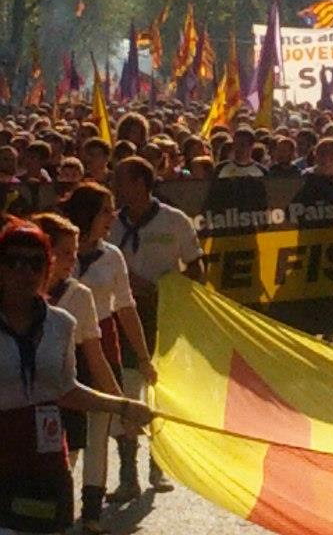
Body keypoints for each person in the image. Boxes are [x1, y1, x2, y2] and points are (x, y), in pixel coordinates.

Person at [0, 219, 151, 534]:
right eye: (12, 261)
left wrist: (123, 407)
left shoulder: (62, 324)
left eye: (34, 262)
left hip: (48, 460)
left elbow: (66, 389)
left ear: (47, 268)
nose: (24, 271)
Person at [109, 156, 205, 501]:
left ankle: (158, 464)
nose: (116, 186)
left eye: (121, 179)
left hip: (162, 319)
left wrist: (173, 291)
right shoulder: (112, 224)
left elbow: (196, 268)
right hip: (121, 319)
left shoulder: (173, 220)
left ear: (139, 183)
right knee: (126, 395)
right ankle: (127, 474)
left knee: (158, 391)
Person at [63, 182, 156, 518]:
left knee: (99, 428)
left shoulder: (112, 254)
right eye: (105, 210)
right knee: (64, 430)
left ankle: (90, 510)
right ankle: (58, 494)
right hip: (60, 346)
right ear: (85, 213)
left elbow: (126, 308)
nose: (112, 217)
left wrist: (143, 358)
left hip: (102, 344)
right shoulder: (58, 250)